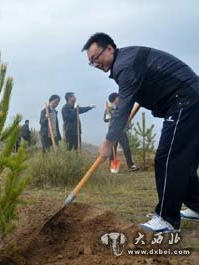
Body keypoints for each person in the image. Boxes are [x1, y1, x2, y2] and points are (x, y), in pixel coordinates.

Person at [82, 32, 199, 233]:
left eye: (96, 58)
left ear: (109, 48)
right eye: (91, 62)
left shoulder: (124, 66)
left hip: (186, 101)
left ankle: (167, 218)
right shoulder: (128, 61)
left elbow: (123, 106)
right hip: (190, 100)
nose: (96, 64)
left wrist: (108, 142)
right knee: (183, 164)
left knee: (167, 159)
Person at [104, 92, 139, 172]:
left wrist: (128, 126)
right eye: (117, 97)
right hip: (113, 132)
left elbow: (125, 118)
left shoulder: (121, 107)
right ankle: (112, 167)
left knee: (126, 148)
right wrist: (108, 116)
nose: (119, 99)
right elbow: (105, 119)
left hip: (121, 131)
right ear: (114, 99)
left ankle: (131, 165)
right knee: (113, 149)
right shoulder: (109, 109)